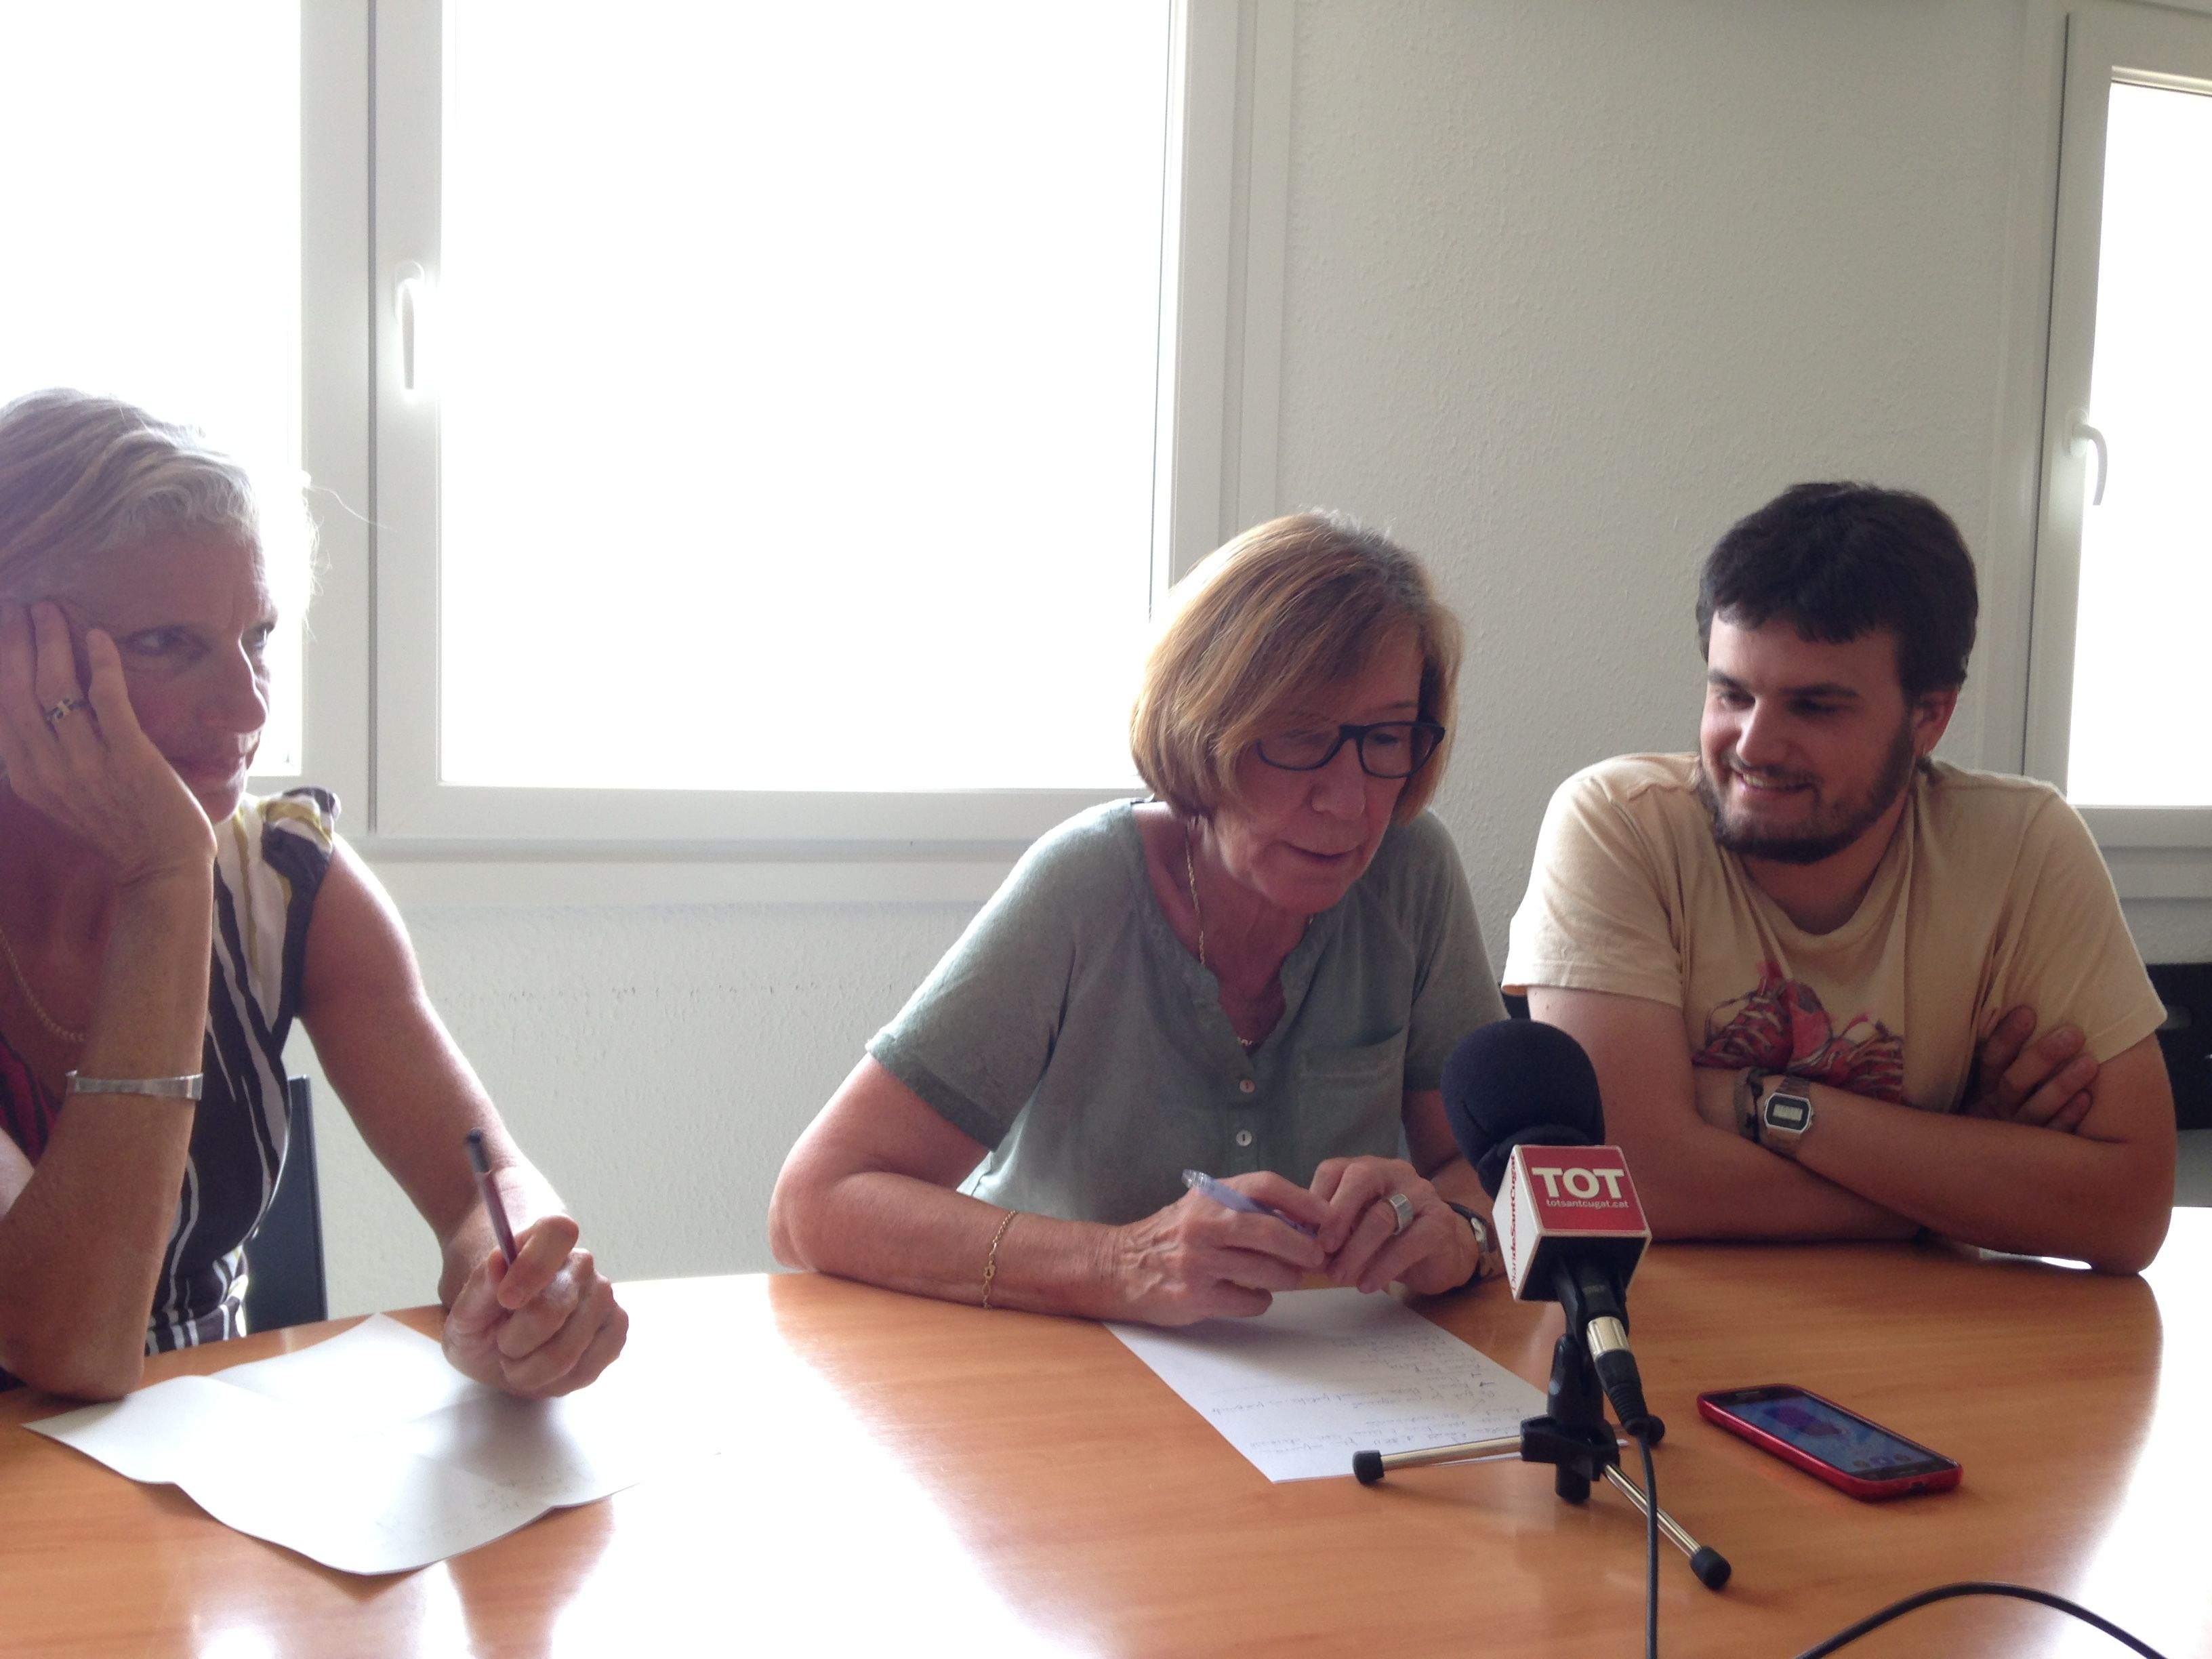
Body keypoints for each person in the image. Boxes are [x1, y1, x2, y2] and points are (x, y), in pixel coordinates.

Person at [0, 389, 627, 1397]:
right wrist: (166, 882)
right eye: (169, 643)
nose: (247, 706)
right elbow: (67, 1344)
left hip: (202, 1492)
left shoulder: (289, 879)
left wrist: (517, 1286)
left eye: (256, 637)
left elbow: (484, 1184)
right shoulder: (191, 868)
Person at [771, 512, 1507, 1324]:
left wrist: (1463, 1233)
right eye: (1299, 738)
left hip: (1322, 1392)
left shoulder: (1411, 870)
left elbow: (1481, 1166)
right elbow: (815, 1204)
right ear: (1206, 726)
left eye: (1387, 736)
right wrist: (1117, 1263)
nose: (1351, 799)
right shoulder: (1087, 884)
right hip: (1050, 1363)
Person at [1502, 482, 2174, 1273]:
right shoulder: (1620, 823)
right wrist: (1954, 1181)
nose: (1754, 744)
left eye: (1815, 706)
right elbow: (1636, 1178)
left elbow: (2129, 1210)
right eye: (1733, 693)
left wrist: (1752, 1103)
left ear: (1930, 717)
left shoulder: (2024, 844)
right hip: (1672, 1333)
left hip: (1946, 1343)